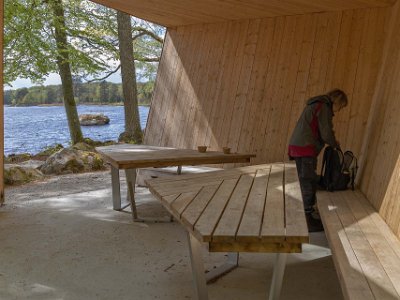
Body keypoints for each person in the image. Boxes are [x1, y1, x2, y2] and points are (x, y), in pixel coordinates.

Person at [288, 89, 348, 232]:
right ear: (337, 101)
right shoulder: (324, 107)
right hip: (305, 147)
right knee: (308, 181)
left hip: (297, 146)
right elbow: (326, 132)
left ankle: (303, 214)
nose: (338, 110)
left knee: (303, 180)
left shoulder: (316, 104)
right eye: (340, 106)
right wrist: (334, 143)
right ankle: (307, 220)